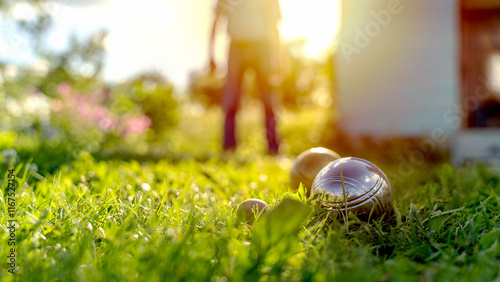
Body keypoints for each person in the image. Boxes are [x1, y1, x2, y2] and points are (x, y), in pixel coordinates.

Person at [208, 0, 282, 155]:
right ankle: (229, 148)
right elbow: (216, 20)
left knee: (268, 99)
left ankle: (274, 149)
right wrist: (211, 54)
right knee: (231, 100)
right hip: (236, 46)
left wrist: (278, 58)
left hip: (262, 47)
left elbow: (273, 26)